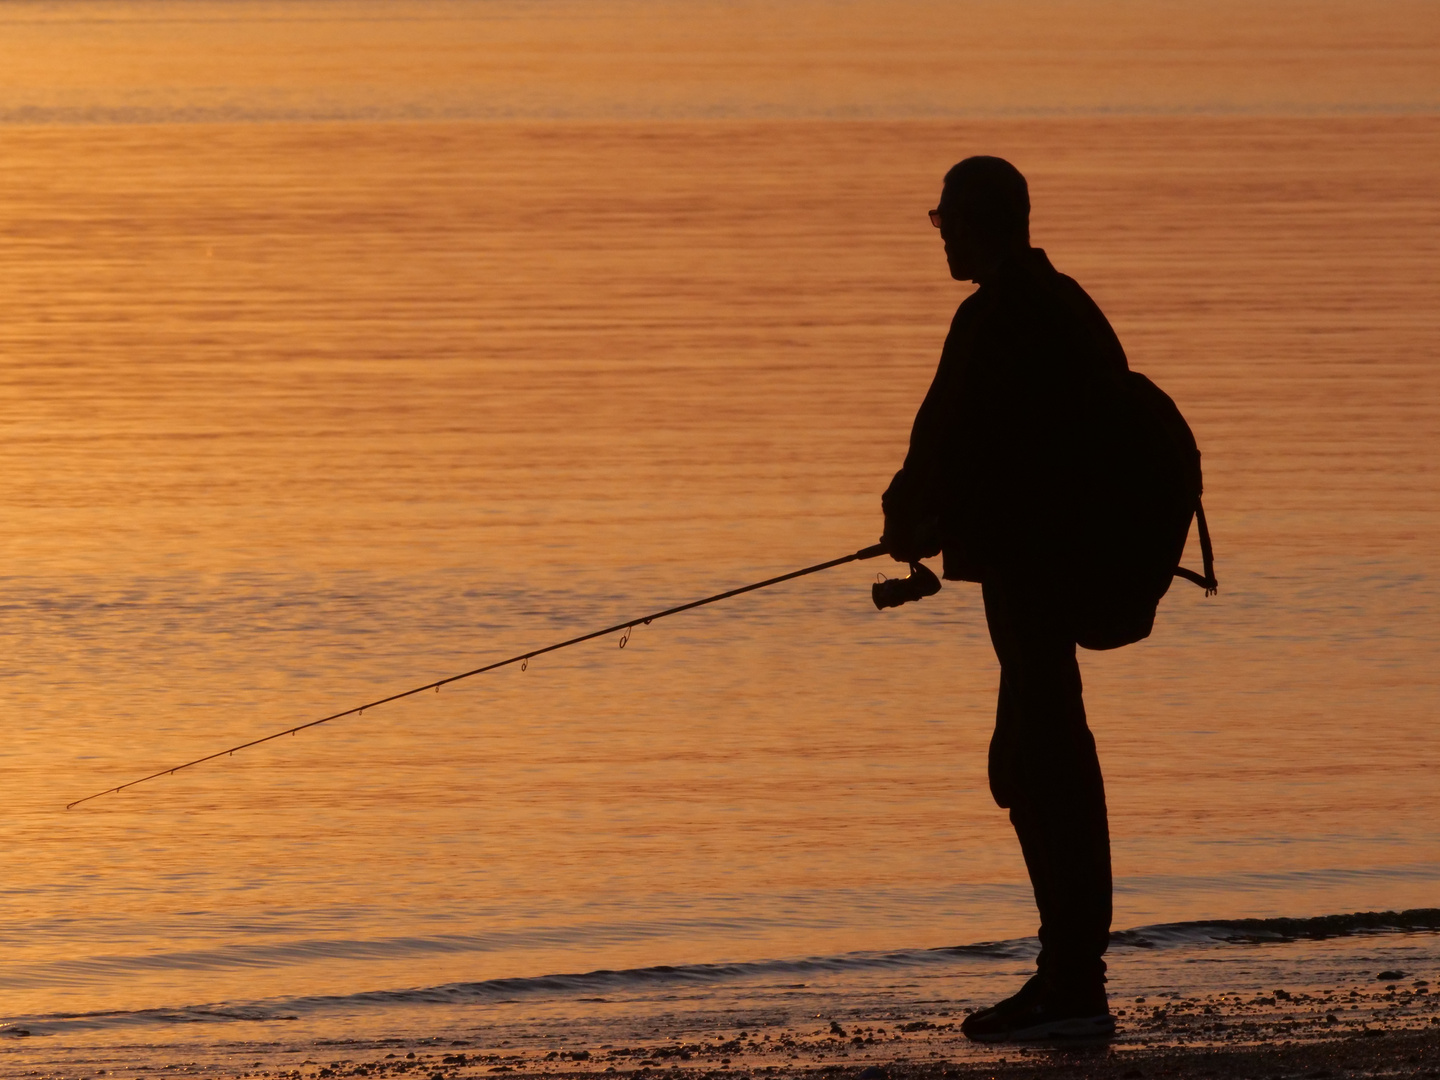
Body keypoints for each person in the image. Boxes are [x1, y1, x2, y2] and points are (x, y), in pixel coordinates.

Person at [881, 156, 1126, 1042]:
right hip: (1068, 566)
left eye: (944, 218)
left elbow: (940, 442)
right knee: (1042, 754)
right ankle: (1069, 975)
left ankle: (1071, 986)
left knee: (1040, 761)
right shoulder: (1066, 303)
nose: (940, 232)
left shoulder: (991, 317)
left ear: (976, 221)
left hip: (1034, 573)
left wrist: (908, 526)